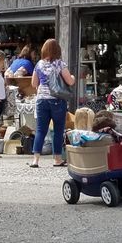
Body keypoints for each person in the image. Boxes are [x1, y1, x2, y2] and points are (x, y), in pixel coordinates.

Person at [30, 39, 75, 168]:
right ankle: (57, 159)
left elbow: (34, 83)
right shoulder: (60, 64)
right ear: (57, 50)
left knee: (40, 130)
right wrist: (72, 77)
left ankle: (35, 160)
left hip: (41, 100)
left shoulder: (39, 64)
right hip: (57, 100)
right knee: (58, 130)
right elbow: (70, 81)